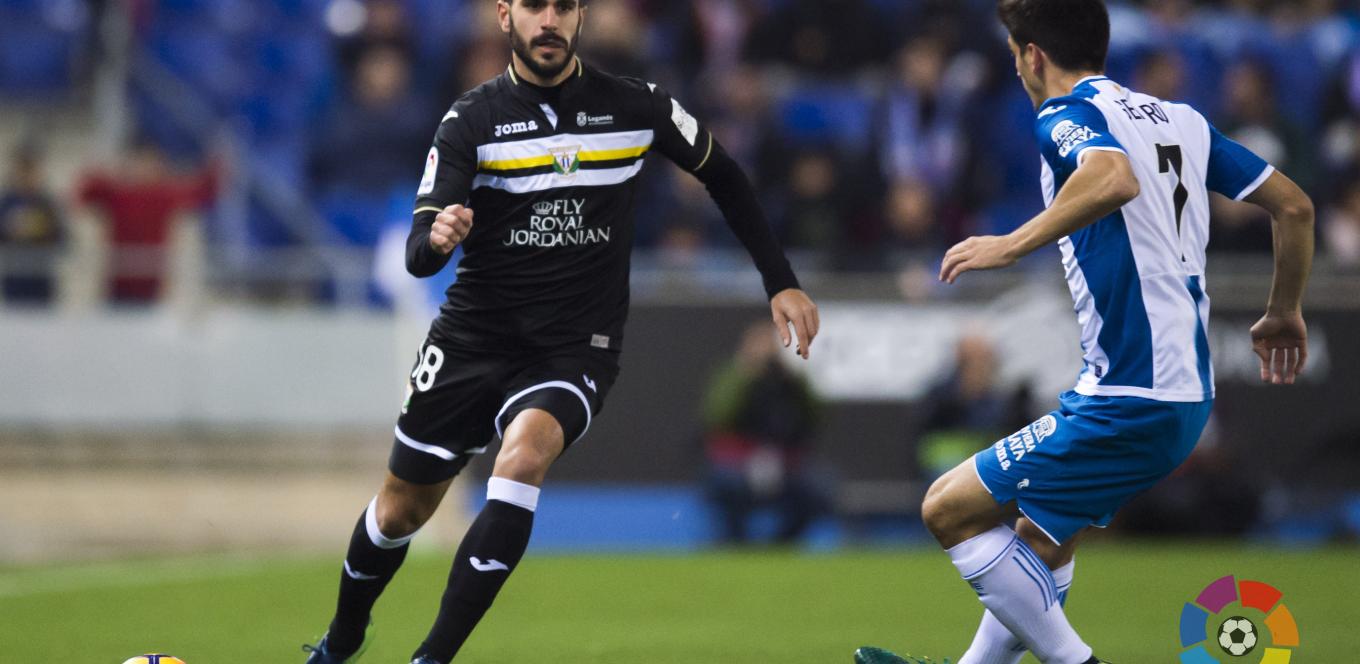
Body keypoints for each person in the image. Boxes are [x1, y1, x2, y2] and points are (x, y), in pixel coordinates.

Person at [302, 1, 819, 663]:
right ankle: (344, 638)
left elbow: (724, 175)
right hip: (471, 340)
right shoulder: (470, 119)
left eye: (564, 6)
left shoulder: (637, 106)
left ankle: (431, 658)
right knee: (400, 510)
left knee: (522, 460)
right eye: (533, 6)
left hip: (573, 348)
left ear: (581, 17)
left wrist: (780, 280)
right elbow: (418, 252)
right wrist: (438, 238)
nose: (549, 19)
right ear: (504, 16)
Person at [855, 1, 1313, 663]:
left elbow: (1112, 176)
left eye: (1015, 52)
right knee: (1040, 542)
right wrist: (1284, 310)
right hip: (1179, 392)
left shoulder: (1064, 115)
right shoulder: (1180, 120)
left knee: (946, 508)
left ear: (1032, 54)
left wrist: (1011, 243)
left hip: (1132, 394)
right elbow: (1294, 206)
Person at [702, 321, 826, 546]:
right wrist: (746, 373)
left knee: (818, 490)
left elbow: (816, 415)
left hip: (787, 462)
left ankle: (781, 546)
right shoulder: (734, 376)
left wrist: (795, 376)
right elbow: (717, 415)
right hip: (738, 461)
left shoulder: (791, 380)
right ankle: (735, 544)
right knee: (725, 488)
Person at [77, 139, 218, 305]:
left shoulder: (165, 194)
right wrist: (94, 167)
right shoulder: (117, 192)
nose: (145, 169)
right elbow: (84, 195)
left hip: (152, 280)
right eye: (140, 163)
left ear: (159, 166)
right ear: (131, 164)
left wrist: (215, 164)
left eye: (150, 164)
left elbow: (203, 193)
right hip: (118, 277)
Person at [0, 144, 66, 305]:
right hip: (14, 280)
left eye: (32, 169)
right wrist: (10, 229)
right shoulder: (6, 203)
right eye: (23, 169)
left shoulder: (48, 204)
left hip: (42, 281)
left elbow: (64, 239)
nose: (28, 175)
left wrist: (45, 230)